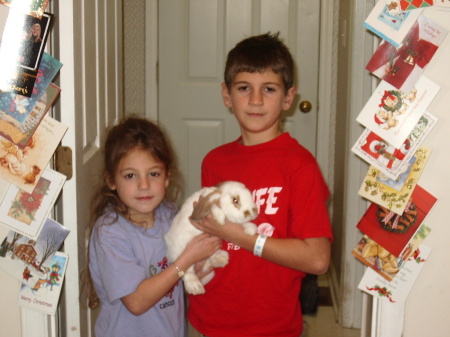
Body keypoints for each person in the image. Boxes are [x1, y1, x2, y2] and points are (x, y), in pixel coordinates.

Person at [188, 32, 333, 337]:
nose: (255, 100)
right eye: (244, 88)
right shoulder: (214, 162)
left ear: (288, 98)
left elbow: (317, 259)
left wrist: (239, 236)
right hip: (213, 315)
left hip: (271, 323)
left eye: (268, 89)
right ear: (227, 95)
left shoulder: (300, 166)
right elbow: (210, 233)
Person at [85, 115, 222, 337]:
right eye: (130, 176)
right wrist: (186, 260)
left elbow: (187, 266)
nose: (144, 185)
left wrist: (200, 261)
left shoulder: (170, 215)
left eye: (154, 174)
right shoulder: (110, 232)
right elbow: (137, 302)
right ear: (111, 181)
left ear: (167, 176)